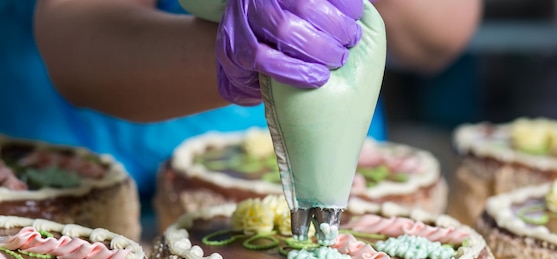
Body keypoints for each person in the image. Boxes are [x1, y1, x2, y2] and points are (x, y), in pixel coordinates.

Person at [0, 0, 481, 202]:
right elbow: (79, 36)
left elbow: (442, 28)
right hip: (76, 172)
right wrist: (248, 55)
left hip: (339, 166)